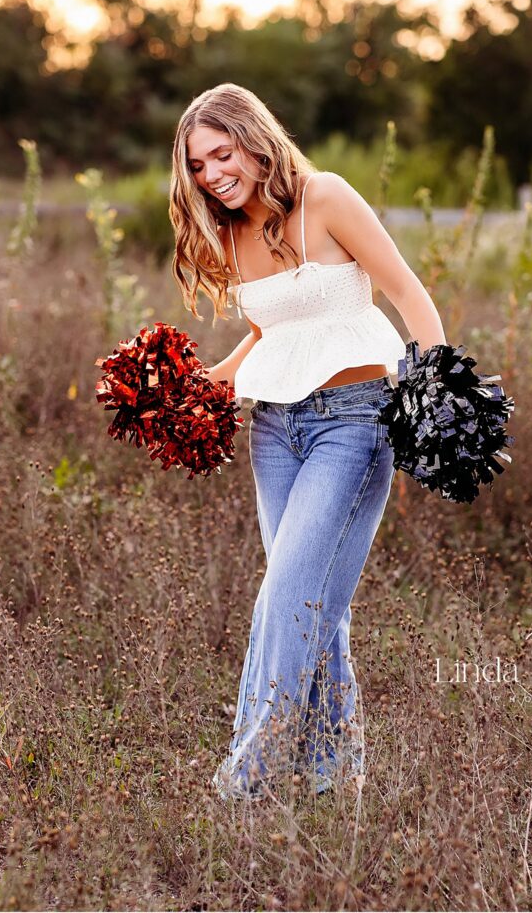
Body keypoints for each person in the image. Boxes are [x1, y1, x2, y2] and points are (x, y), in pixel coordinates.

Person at [168, 83, 445, 799]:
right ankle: (333, 780)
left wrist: (437, 390)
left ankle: (246, 780)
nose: (212, 175)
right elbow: (273, 327)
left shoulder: (326, 197)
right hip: (274, 428)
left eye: (221, 154)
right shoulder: (230, 233)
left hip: (355, 421)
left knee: (287, 596)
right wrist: (204, 386)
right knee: (319, 604)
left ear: (254, 140)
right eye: (197, 166)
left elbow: (409, 295)